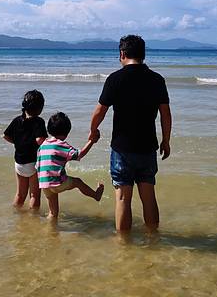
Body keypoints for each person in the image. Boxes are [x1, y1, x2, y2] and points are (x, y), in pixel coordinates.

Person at [89, 35, 172, 232]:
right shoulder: (157, 80)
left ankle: (123, 243)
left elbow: (100, 111)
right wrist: (166, 140)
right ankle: (153, 237)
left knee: (123, 198)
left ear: (122, 54)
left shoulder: (115, 79)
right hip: (147, 147)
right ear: (143, 55)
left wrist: (93, 130)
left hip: (122, 149)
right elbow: (166, 114)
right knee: (148, 197)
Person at [37, 112, 104, 219]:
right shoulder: (61, 144)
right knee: (78, 182)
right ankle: (96, 195)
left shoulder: (43, 145)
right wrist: (91, 141)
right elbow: (80, 154)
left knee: (53, 213)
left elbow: (39, 165)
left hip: (44, 183)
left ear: (49, 129)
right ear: (67, 132)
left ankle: (49, 228)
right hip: (57, 183)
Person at [3, 89, 48, 209]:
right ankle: (32, 218)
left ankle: (16, 213)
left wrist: (18, 142)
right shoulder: (39, 122)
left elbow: (5, 136)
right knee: (34, 195)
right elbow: (40, 140)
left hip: (19, 163)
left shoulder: (17, 120)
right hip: (33, 163)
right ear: (40, 108)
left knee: (20, 194)